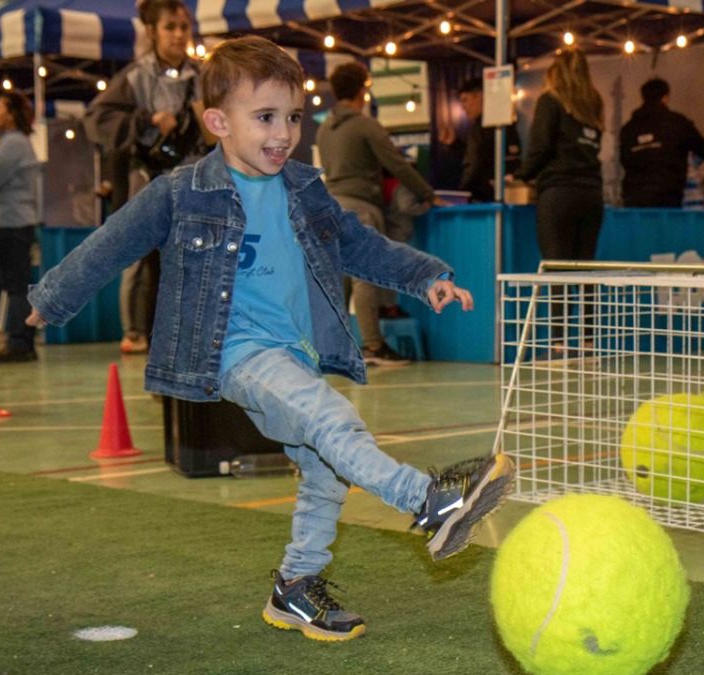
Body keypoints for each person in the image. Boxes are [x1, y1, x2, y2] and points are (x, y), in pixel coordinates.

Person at [26, 36, 515, 643]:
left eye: (291, 117)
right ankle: (426, 501)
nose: (283, 133)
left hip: (296, 355)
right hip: (234, 353)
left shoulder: (303, 190)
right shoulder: (183, 192)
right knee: (333, 422)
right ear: (217, 122)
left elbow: (358, 243)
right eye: (264, 118)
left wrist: (425, 276)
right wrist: (53, 297)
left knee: (325, 470)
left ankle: (295, 589)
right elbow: (113, 241)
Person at [84, 0, 204, 355]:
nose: (179, 35)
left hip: (199, 189)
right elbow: (97, 120)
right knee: (159, 275)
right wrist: (146, 120)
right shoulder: (135, 77)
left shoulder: (202, 77)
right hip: (156, 189)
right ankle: (159, 357)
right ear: (152, 32)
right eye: (170, 27)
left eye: (184, 27)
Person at [316, 62, 441, 367]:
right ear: (363, 89)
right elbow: (398, 165)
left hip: (328, 205)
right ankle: (373, 345)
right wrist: (428, 194)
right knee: (364, 277)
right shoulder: (364, 124)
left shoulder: (324, 128)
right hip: (360, 207)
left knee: (339, 279)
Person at [514, 50, 605, 354]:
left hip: (558, 192)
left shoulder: (551, 101)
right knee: (585, 268)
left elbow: (539, 149)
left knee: (557, 267)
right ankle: (589, 341)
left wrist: (519, 176)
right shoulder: (593, 105)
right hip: (592, 193)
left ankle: (559, 343)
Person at [0, 92, 41, 363]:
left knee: (16, 284)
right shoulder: (16, 143)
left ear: (12, 113)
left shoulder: (12, 144)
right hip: (13, 220)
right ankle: (20, 339)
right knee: (16, 282)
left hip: (10, 220)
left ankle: (20, 342)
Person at [619, 78, 704, 208]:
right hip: (667, 198)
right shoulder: (677, 123)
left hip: (634, 199)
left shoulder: (628, 129)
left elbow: (624, 160)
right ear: (665, 97)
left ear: (643, 97)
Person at [456, 78, 521, 202]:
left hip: (482, 196)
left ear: (480, 96)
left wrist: (464, 189)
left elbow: (475, 161)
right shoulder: (506, 122)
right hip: (508, 193)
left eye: (465, 100)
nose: (464, 107)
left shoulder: (480, 128)